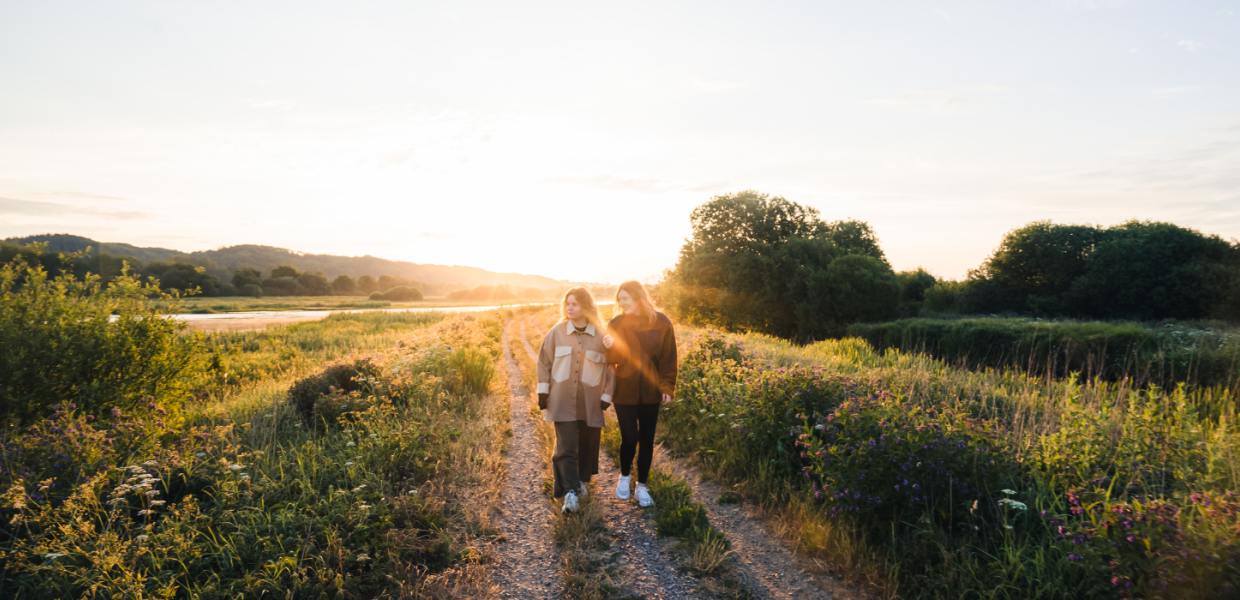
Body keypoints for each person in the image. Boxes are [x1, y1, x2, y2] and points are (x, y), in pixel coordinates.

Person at [537, 287, 614, 513]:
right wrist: (543, 392)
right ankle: (569, 493)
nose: (569, 308)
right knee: (566, 446)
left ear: (586, 307)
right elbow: (543, 362)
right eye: (567, 304)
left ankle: (581, 482)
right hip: (561, 400)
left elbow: (611, 367)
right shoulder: (556, 332)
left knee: (587, 446)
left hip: (591, 402)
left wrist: (607, 395)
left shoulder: (601, 335)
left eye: (575, 304)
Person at [602, 280, 677, 508]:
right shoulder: (615, 323)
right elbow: (614, 359)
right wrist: (609, 346)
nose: (622, 303)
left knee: (646, 439)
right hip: (624, 390)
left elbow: (668, 357)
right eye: (620, 299)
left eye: (626, 299)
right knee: (629, 437)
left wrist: (667, 387)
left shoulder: (662, 322)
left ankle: (642, 487)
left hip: (652, 390)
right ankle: (624, 477)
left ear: (639, 298)